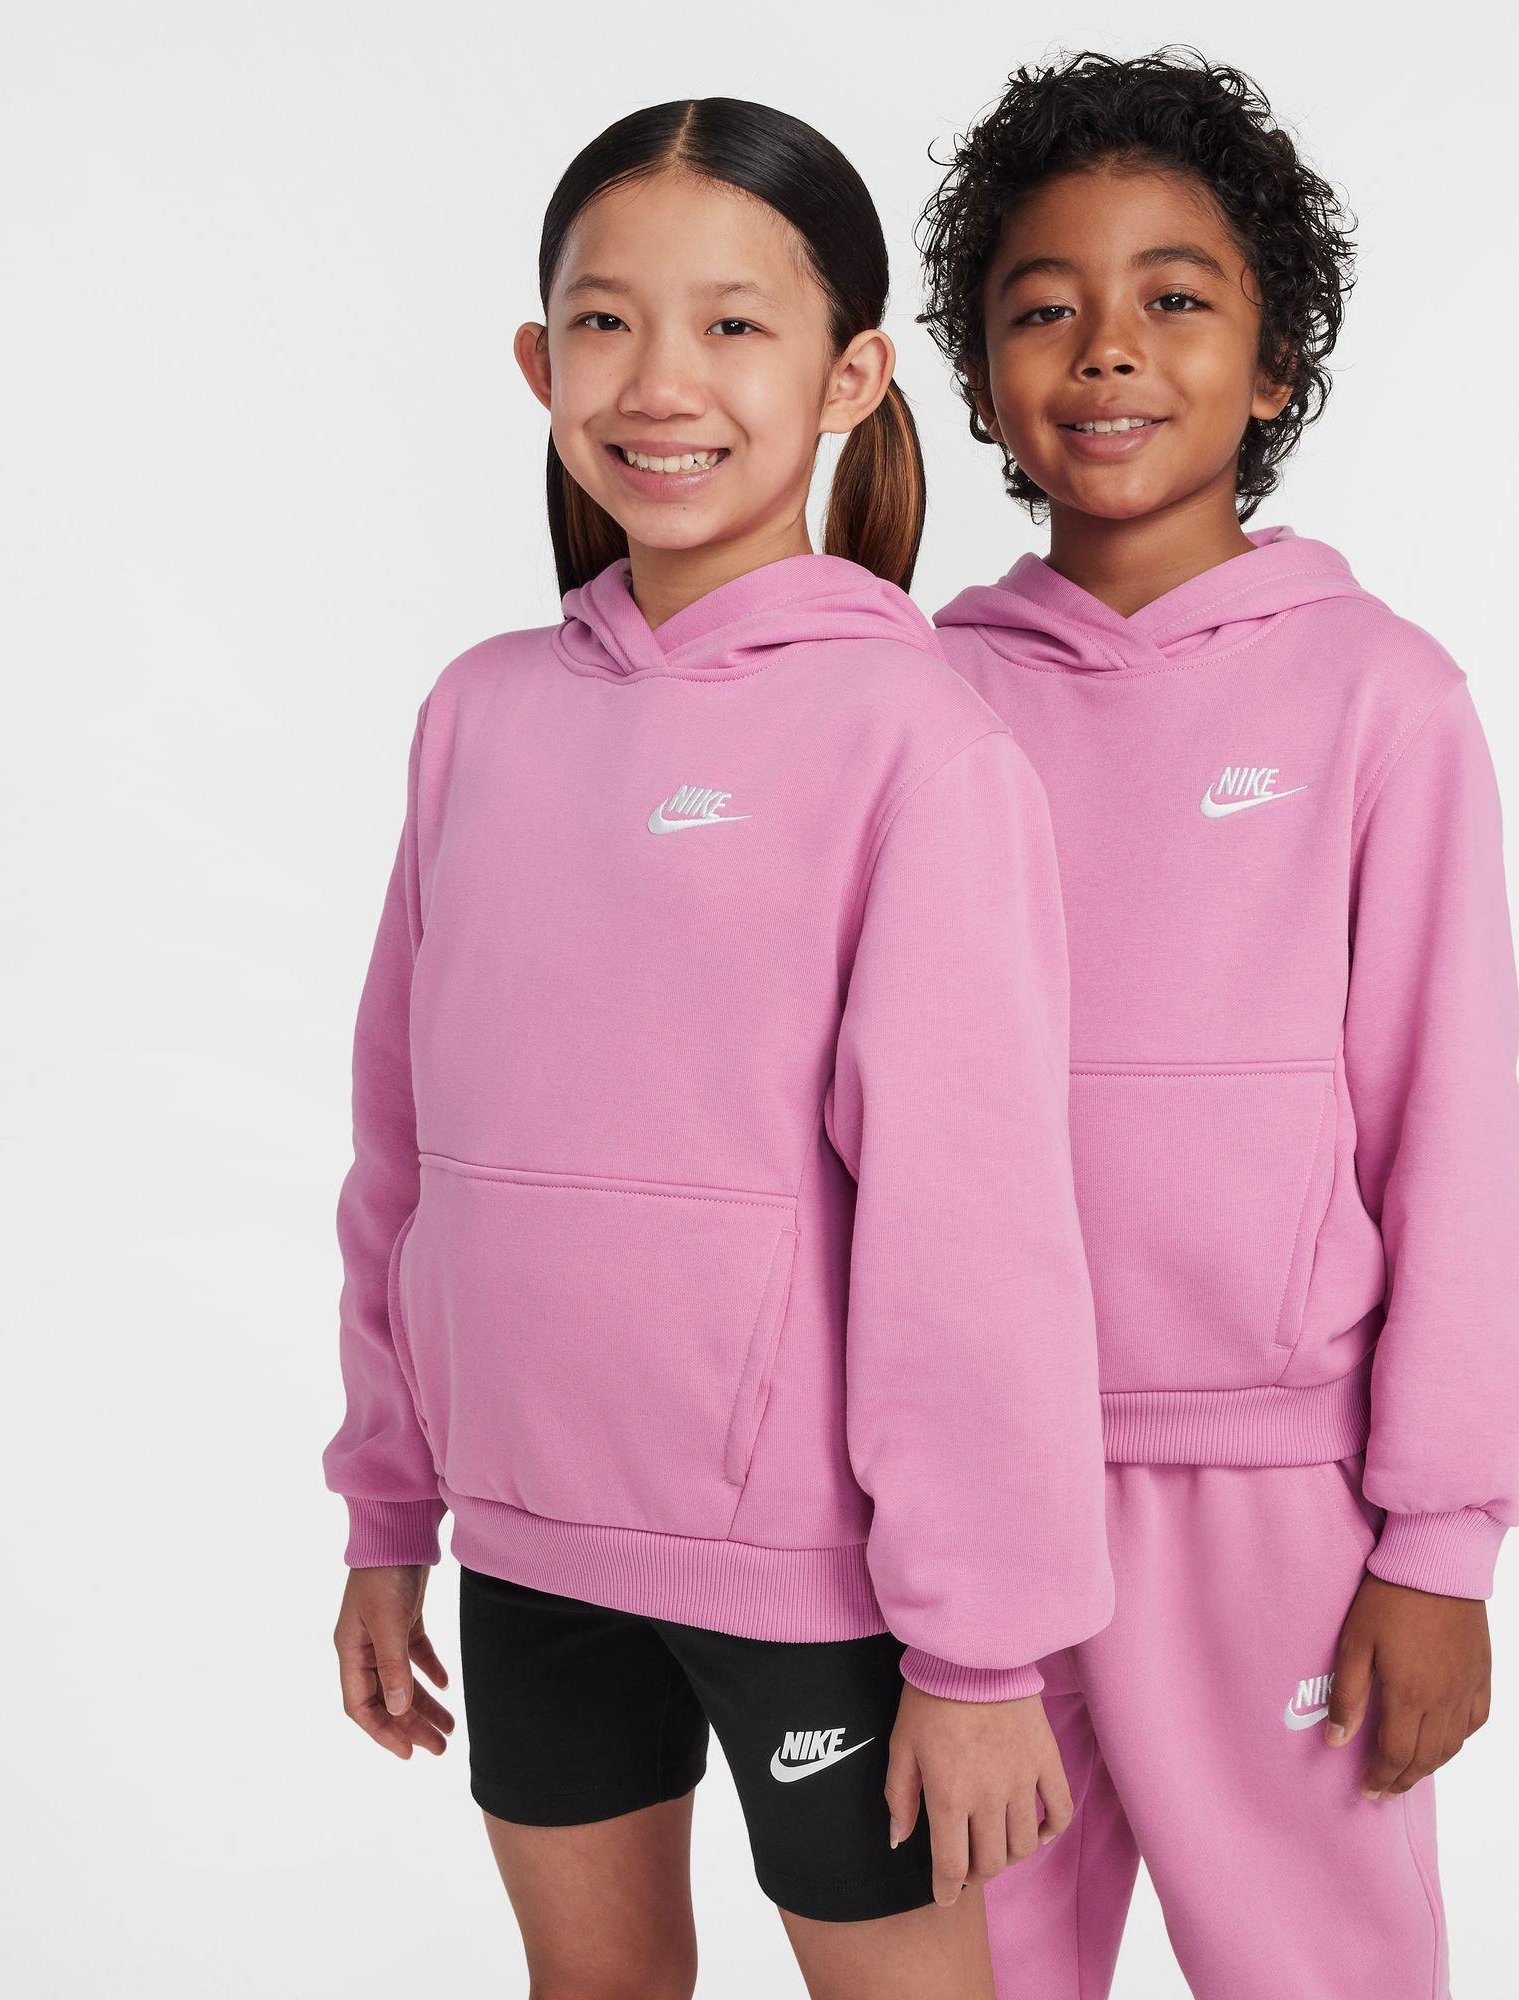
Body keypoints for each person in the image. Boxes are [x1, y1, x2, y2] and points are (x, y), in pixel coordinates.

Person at [321, 96, 1112, 1999]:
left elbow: (975, 1228)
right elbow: (403, 1153)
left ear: (849, 378)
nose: (660, 380)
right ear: (540, 362)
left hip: (817, 1584)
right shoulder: (478, 715)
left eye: (733, 324)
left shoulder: (916, 744)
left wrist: (982, 1648)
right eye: (606, 322)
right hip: (527, 1550)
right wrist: (388, 1509)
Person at [916, 48, 1519, 1999]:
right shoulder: (917, 708)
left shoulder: (1381, 699)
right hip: (960, 1514)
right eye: (1046, 306)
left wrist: (1439, 1543)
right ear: (979, 376)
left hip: (1278, 1503)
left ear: (1274, 365)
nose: (1109, 347)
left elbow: (1450, 1131)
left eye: (1175, 297)